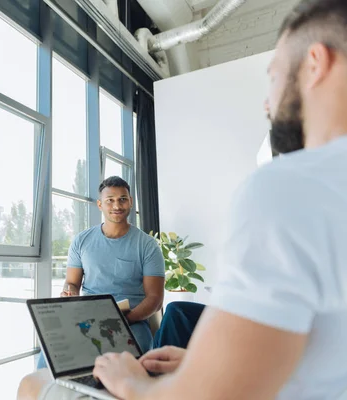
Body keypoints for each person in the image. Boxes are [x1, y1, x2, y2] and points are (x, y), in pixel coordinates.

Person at [19, 0, 347, 398]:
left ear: (315, 63)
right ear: (99, 204)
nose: (266, 103)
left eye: (273, 78)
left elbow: (210, 393)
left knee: (34, 383)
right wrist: (202, 363)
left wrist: (134, 386)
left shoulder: (289, 187)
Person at [35, 176, 164, 370]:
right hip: (89, 316)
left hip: (132, 320)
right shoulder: (82, 241)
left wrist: (123, 320)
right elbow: (72, 283)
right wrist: (69, 290)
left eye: (122, 199)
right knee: (48, 361)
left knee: (129, 361)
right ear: (100, 204)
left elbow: (155, 299)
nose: (117, 205)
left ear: (130, 202)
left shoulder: (147, 245)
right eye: (110, 200)